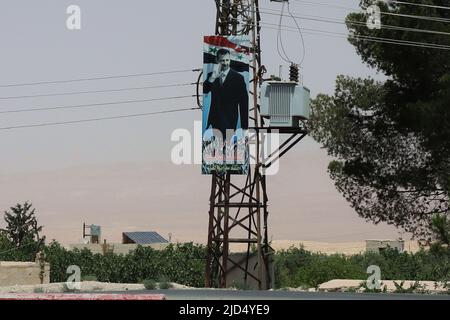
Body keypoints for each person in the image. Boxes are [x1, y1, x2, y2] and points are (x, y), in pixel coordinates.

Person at [204, 48, 249, 141]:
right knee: (214, 152)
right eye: (222, 61)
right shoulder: (212, 76)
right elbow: (205, 90)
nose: (225, 63)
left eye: (227, 60)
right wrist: (212, 77)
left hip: (229, 121)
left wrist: (244, 126)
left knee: (228, 151)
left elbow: (244, 103)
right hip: (214, 121)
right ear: (217, 60)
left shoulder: (238, 78)